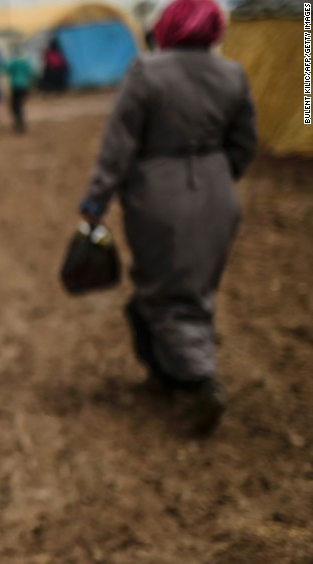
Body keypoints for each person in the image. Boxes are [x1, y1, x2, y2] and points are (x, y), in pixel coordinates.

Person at [76, 0, 256, 435]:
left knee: (168, 293)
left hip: (158, 198)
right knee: (190, 285)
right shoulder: (232, 74)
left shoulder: (147, 73)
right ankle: (165, 372)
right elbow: (244, 143)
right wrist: (215, 175)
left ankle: (198, 382)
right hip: (218, 195)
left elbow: (117, 148)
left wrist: (96, 202)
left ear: (167, 26)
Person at [2, 42, 34, 133]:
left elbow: (6, 70)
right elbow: (30, 73)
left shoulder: (13, 61)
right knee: (20, 105)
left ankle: (19, 124)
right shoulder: (25, 61)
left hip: (15, 85)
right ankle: (21, 123)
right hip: (24, 85)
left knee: (15, 106)